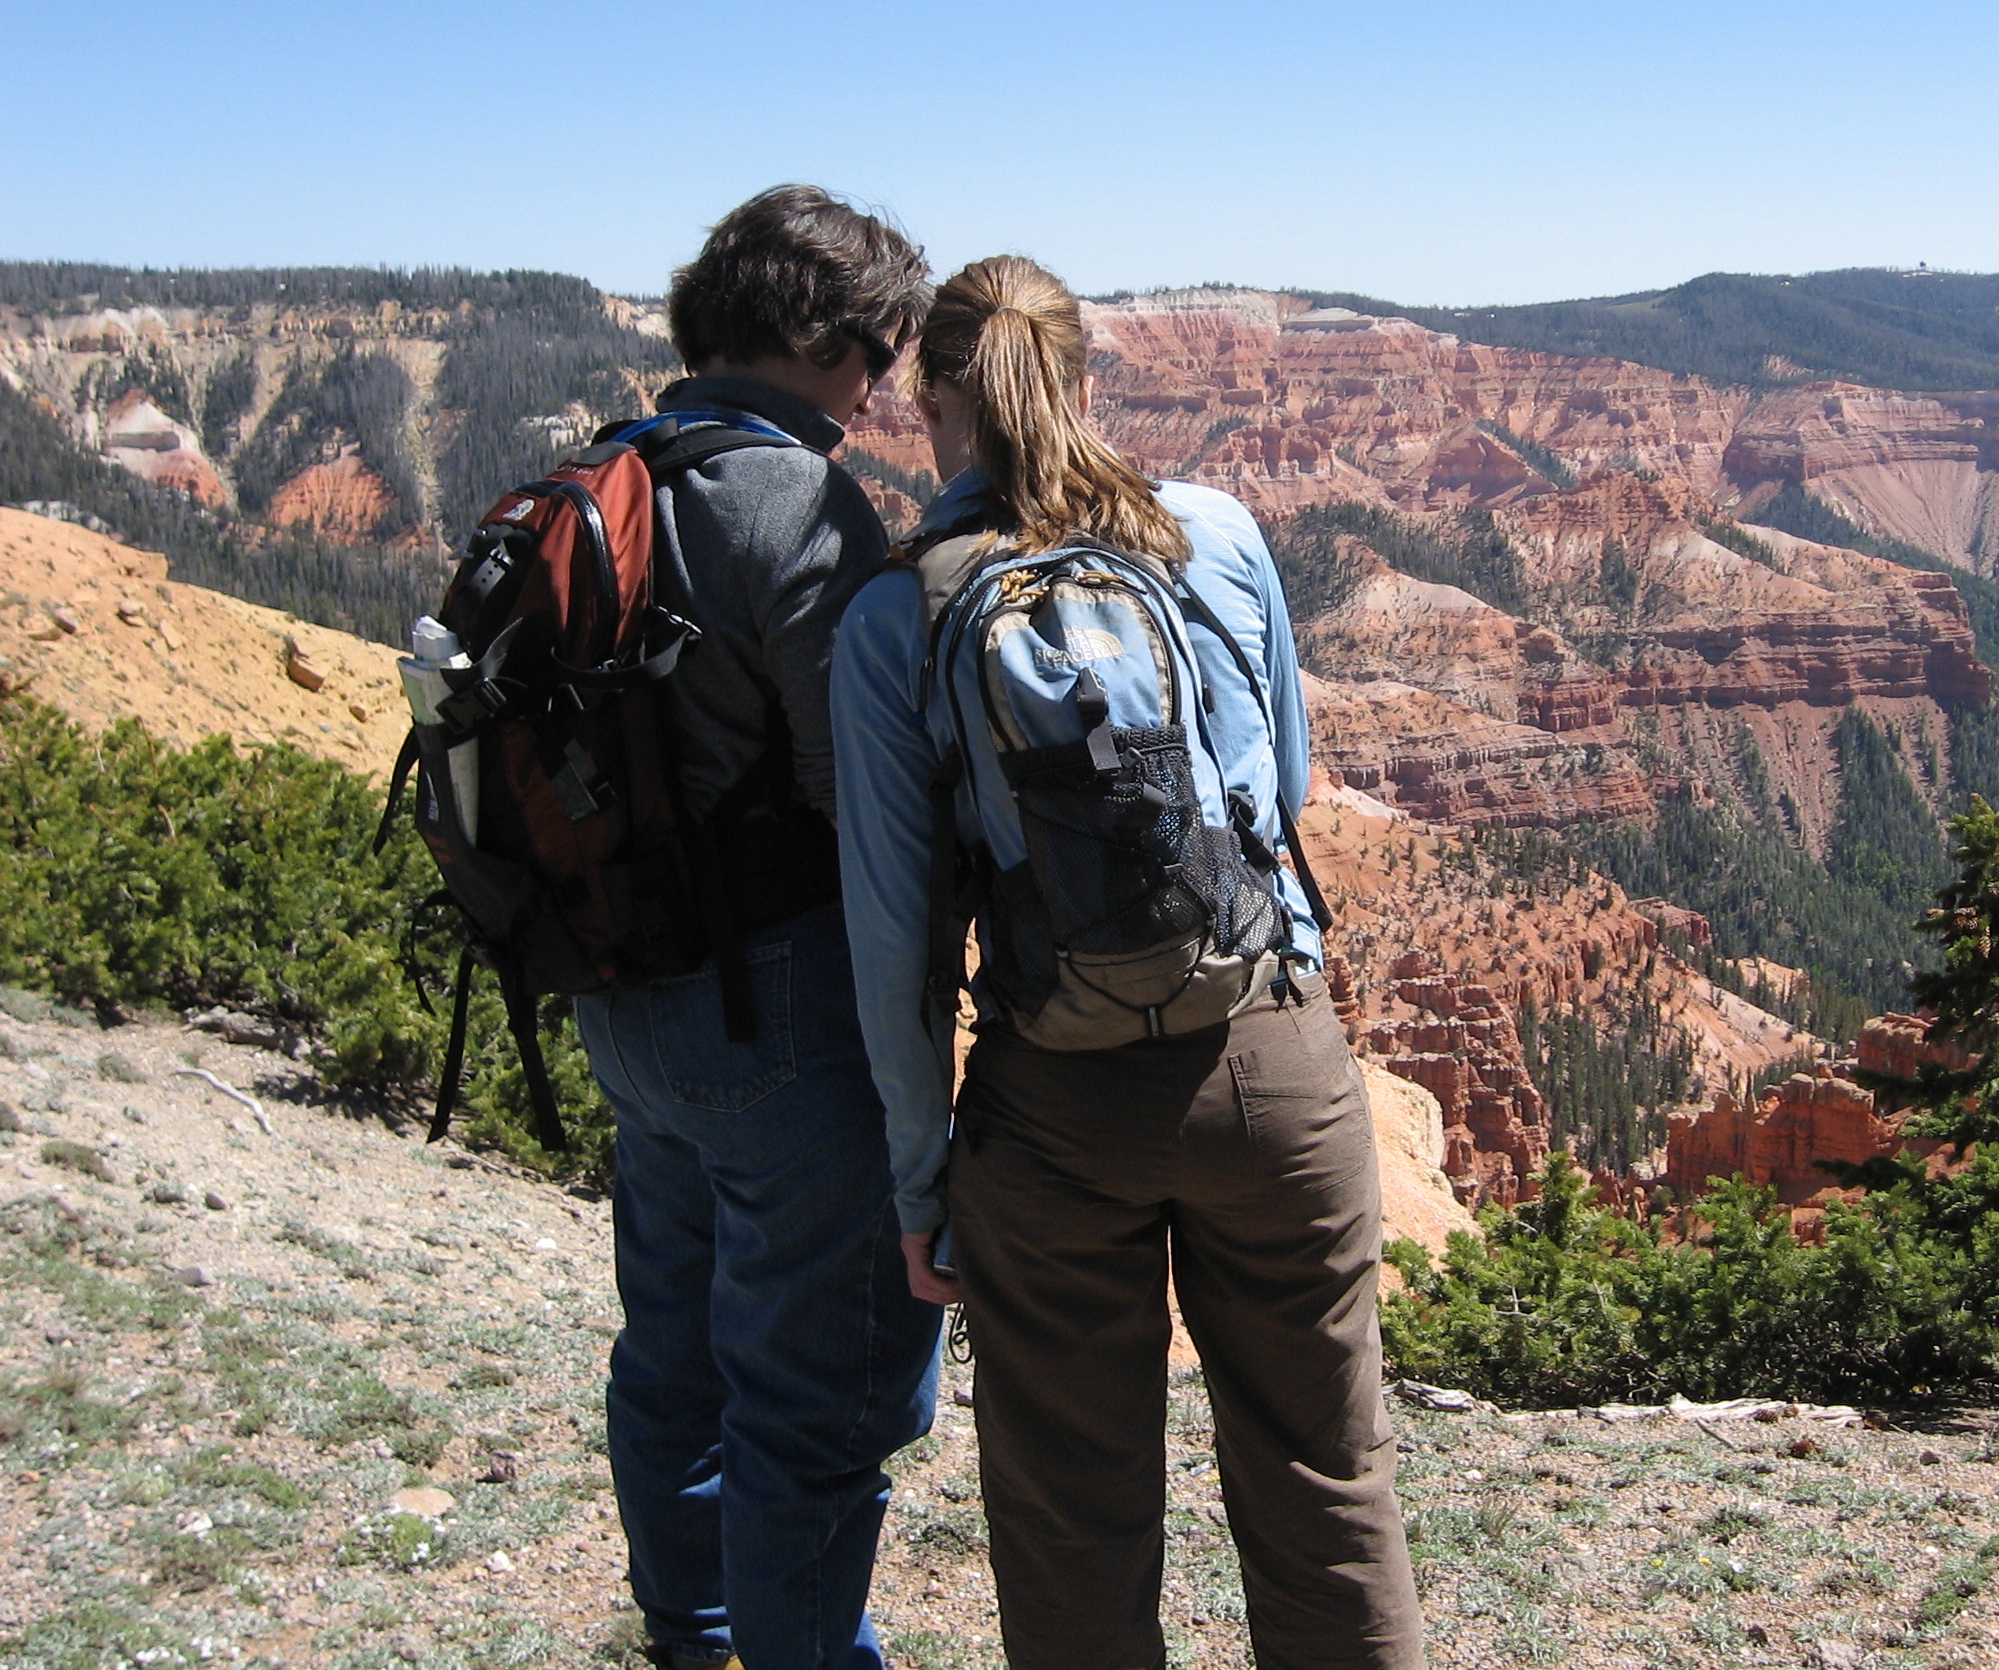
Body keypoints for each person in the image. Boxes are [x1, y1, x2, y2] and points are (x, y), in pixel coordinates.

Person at [832, 255, 1427, 1670]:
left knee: (1072, 1524)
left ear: (930, 403)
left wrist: (924, 1183)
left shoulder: (894, 616)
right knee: (1327, 1482)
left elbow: (896, 942)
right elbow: (1274, 792)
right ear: (1087, 380)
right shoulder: (1214, 533)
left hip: (1057, 1106)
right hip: (1275, 1065)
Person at [574, 185, 943, 1670]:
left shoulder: (619, 469)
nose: (879, 391)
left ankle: (694, 1638)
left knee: (671, 1357)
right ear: (814, 334)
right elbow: (861, 800)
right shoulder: (789, 502)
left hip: (626, 995)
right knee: (814, 1401)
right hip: (780, 1015)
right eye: (874, 352)